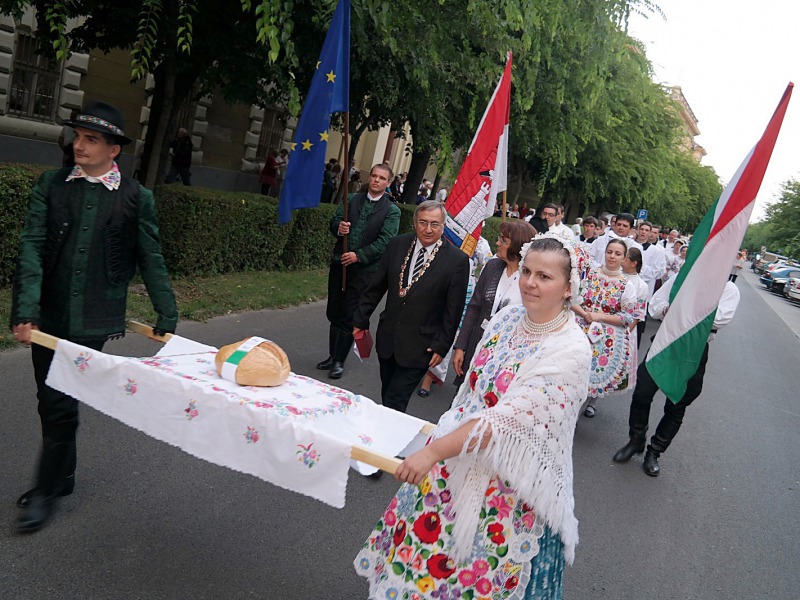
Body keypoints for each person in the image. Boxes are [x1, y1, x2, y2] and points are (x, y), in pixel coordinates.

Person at [355, 232, 592, 598]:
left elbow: (505, 424)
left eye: (545, 277)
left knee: (478, 579)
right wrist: (441, 443)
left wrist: (433, 452)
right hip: (454, 460)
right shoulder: (507, 318)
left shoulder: (571, 349)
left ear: (568, 287)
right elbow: (470, 394)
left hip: (508, 486)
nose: (529, 282)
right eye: (527, 271)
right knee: (420, 565)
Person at [10, 101, 178, 532]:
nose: (79, 145)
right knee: (50, 400)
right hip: (49, 314)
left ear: (113, 150)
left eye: (92, 139)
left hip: (95, 320)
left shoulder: (136, 197)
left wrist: (167, 312)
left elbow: (150, 256)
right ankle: (61, 476)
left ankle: (46, 491)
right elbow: (31, 248)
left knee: (59, 401)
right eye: (78, 137)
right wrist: (26, 308)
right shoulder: (51, 186)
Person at [612, 275, 740, 476]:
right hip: (665, 341)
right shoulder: (683, 277)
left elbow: (721, 318)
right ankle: (636, 440)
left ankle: (654, 452)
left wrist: (684, 310)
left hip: (693, 350)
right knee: (642, 392)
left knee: (677, 405)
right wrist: (667, 310)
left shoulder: (728, 288)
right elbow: (655, 304)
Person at [352, 200, 470, 413]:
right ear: (415, 223)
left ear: (443, 226)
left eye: (435, 224)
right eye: (423, 222)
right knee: (387, 391)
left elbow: (453, 310)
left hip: (422, 346)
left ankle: (384, 441)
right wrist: (361, 319)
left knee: (396, 398)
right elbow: (376, 286)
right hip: (388, 338)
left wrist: (442, 345)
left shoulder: (457, 261)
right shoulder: (397, 244)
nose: (428, 229)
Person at [317, 164, 401, 379]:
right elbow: (334, 221)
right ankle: (331, 354)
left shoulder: (391, 210)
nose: (376, 180)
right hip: (340, 264)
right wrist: (339, 227)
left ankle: (339, 361)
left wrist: (359, 255)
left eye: (382, 178)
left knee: (349, 314)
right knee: (334, 311)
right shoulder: (352, 199)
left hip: (365, 271)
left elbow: (386, 241)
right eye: (373, 176)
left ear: (388, 183)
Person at [451, 220, 537, 389]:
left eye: (504, 241)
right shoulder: (493, 266)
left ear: (518, 247)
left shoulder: (530, 279)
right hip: (477, 343)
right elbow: (474, 307)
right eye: (500, 238)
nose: (497, 243)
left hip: (506, 354)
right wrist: (461, 346)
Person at [572, 238, 641, 417]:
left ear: (624, 258)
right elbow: (571, 297)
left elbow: (628, 317)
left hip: (605, 338)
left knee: (589, 380)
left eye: (617, 254)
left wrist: (600, 316)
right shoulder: (590, 274)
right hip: (578, 329)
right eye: (609, 252)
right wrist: (584, 313)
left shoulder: (627, 286)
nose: (612, 256)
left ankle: (576, 416)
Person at [621, 247, 649, 386]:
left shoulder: (641, 285)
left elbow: (638, 314)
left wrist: (625, 333)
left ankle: (591, 404)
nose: (621, 260)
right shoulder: (617, 276)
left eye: (625, 258)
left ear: (634, 263)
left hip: (625, 328)